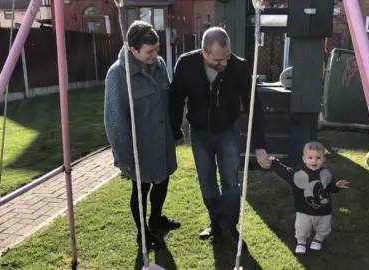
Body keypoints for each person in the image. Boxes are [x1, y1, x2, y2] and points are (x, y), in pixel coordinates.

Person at [169, 27, 270, 242]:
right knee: (207, 181)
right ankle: (215, 222)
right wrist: (175, 129)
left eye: (227, 57)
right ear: (203, 53)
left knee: (230, 180)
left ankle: (230, 226)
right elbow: (176, 99)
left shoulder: (239, 66)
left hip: (228, 131)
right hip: (200, 132)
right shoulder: (186, 65)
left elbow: (254, 105)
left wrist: (259, 144)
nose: (224, 63)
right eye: (217, 60)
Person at [104, 21, 180, 250]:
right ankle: (142, 233)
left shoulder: (159, 65)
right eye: (150, 51)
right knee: (141, 189)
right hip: (140, 145)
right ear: (133, 50)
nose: (155, 55)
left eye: (157, 49)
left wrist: (174, 132)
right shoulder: (118, 75)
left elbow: (166, 100)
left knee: (163, 179)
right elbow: (114, 120)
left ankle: (156, 218)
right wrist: (125, 157)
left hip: (162, 140)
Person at [268, 141, 349, 254]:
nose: (314, 160)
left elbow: (330, 188)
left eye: (318, 157)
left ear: (323, 159)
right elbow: (285, 172)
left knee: (324, 228)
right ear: (304, 159)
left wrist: (337, 186)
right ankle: (301, 241)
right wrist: (275, 163)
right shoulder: (298, 174)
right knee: (302, 227)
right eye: (310, 157)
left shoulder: (326, 173)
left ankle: (318, 239)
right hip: (303, 210)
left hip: (324, 210)